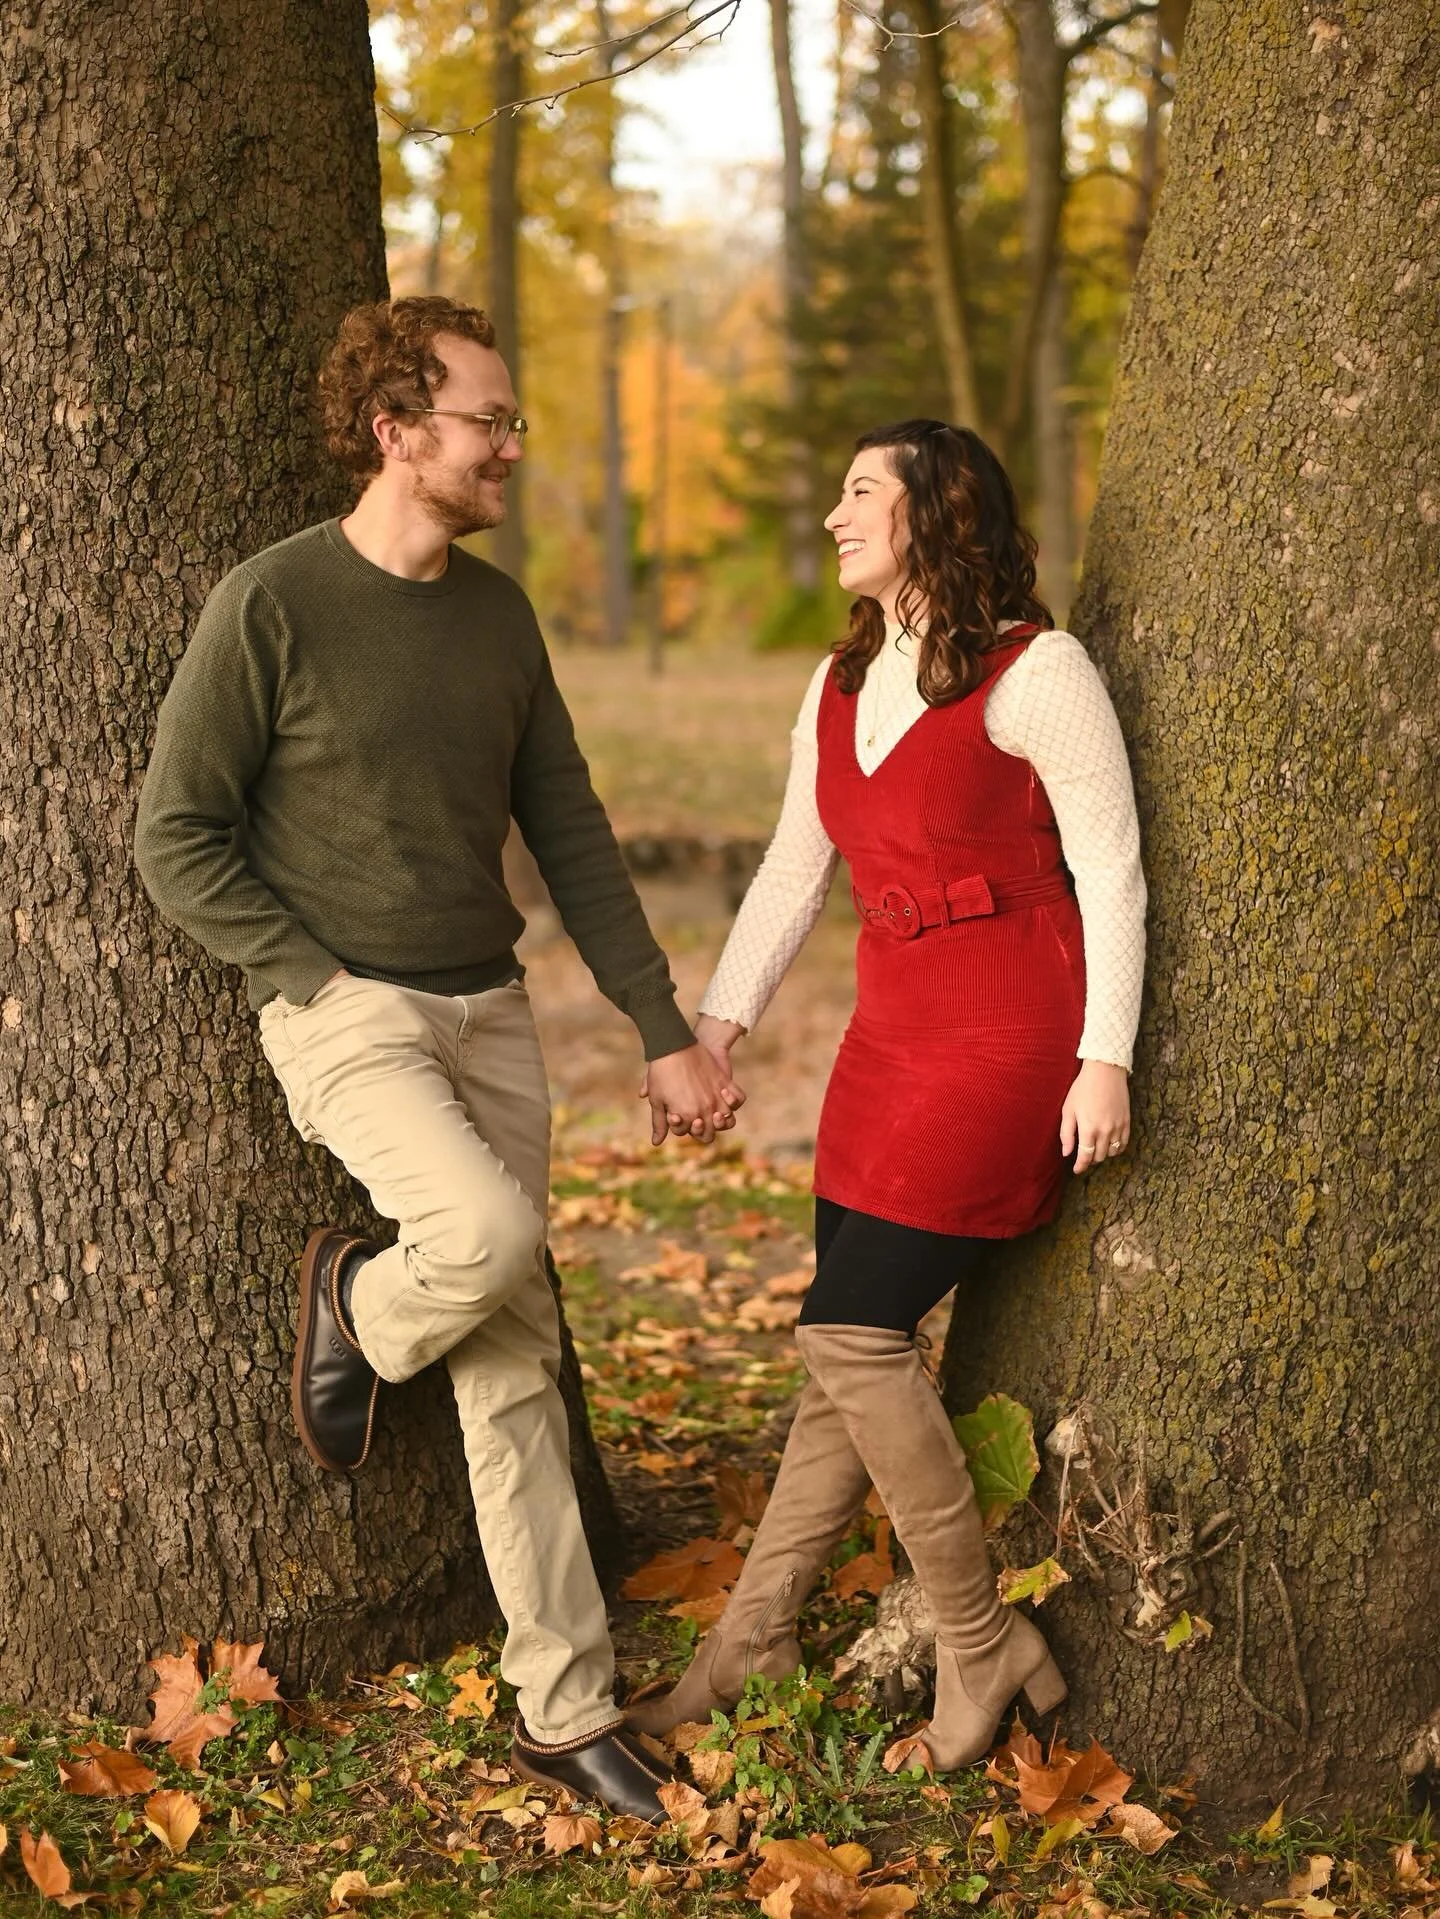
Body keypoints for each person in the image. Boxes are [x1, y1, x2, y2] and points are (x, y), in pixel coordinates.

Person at [133, 295, 742, 1821]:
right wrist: (311, 975)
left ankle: (563, 1707)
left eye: (515, 421)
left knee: (520, 1369)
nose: (513, 448)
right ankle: (354, 1296)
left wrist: (661, 1029)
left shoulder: (499, 617)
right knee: (487, 1239)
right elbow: (174, 834)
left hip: (492, 1008)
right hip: (349, 1011)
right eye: (490, 420)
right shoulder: (269, 605)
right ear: (399, 433)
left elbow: (576, 832)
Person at [628, 420, 1146, 1770]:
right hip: (887, 1044)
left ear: (938, 511)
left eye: (862, 491)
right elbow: (798, 869)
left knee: (853, 1335)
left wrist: (1109, 1054)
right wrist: (719, 1028)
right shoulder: (841, 681)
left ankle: (979, 1645)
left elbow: (1114, 870)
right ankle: (749, 1636)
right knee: (832, 1361)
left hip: (1010, 1037)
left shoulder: (1042, 674)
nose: (835, 515)